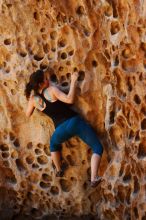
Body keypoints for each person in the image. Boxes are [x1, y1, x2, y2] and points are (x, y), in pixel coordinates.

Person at [25, 68, 103, 187]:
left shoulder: (34, 100)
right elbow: (69, 99)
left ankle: (58, 170)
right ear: (41, 83)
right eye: (46, 79)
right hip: (74, 122)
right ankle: (93, 178)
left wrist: (32, 99)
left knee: (53, 145)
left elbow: (27, 114)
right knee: (97, 147)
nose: (48, 80)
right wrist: (73, 81)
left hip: (60, 130)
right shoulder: (51, 90)